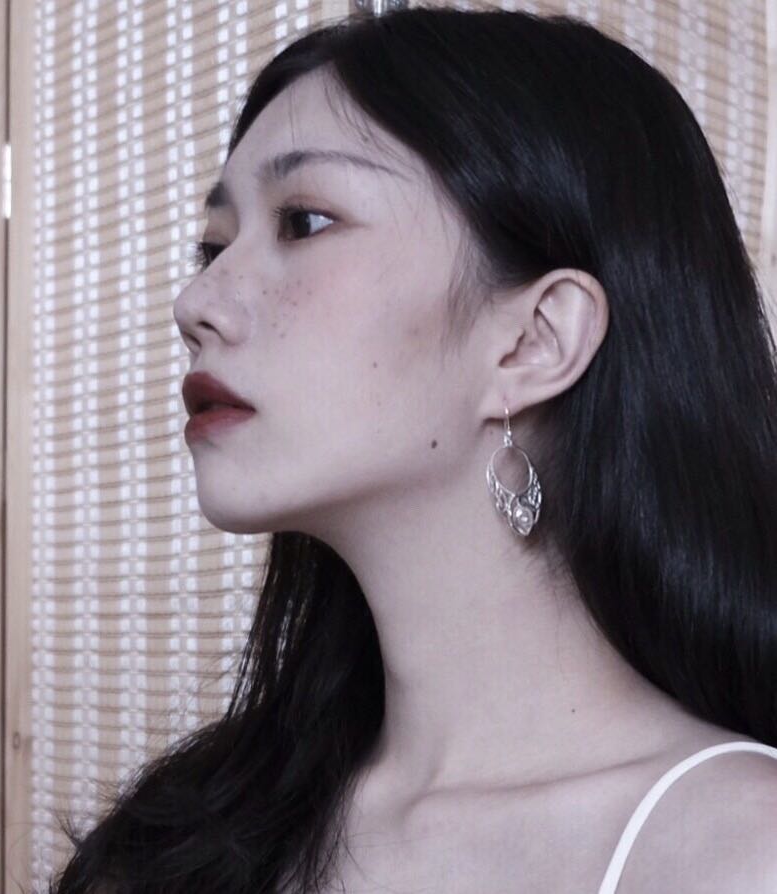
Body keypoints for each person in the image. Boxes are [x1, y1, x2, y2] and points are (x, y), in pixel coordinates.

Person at [48, 7, 777, 893]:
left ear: (534, 342)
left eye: (303, 223)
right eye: (213, 245)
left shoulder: (735, 850)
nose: (195, 302)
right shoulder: (187, 836)